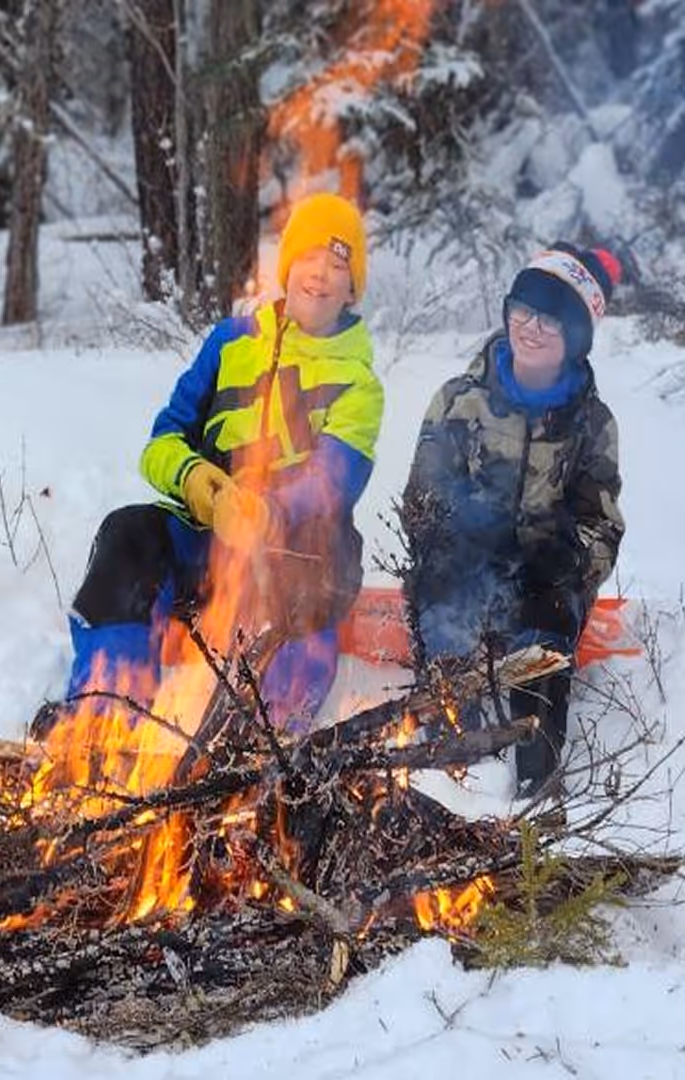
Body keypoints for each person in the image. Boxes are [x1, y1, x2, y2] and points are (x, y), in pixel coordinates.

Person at [60, 193, 384, 735]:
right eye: (309, 257)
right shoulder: (231, 342)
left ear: (352, 288)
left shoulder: (359, 382)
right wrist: (197, 483)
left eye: (337, 265)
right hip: (209, 539)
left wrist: (268, 511)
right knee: (128, 532)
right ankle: (106, 711)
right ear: (287, 266)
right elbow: (162, 442)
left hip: (295, 547)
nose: (319, 275)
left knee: (316, 559)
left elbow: (335, 479)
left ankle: (264, 735)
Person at [402, 242, 625, 799]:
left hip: (542, 583)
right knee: (442, 590)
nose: (531, 327)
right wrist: (459, 532)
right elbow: (420, 499)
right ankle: (453, 767)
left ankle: (533, 781)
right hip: (469, 578)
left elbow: (603, 527)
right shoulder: (459, 401)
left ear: (576, 336)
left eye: (550, 318)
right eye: (523, 310)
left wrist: (569, 557)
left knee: (547, 619)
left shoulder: (591, 424)